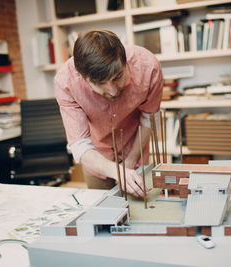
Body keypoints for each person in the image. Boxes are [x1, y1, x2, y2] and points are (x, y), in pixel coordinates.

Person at [55, 29, 163, 198]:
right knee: (105, 214)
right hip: (96, 159)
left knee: (140, 213)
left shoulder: (148, 67)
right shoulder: (66, 82)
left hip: (136, 149)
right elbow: (79, 144)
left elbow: (149, 118)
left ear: (125, 62)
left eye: (117, 77)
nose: (112, 91)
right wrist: (116, 170)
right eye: (100, 83)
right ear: (83, 77)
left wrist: (130, 161)